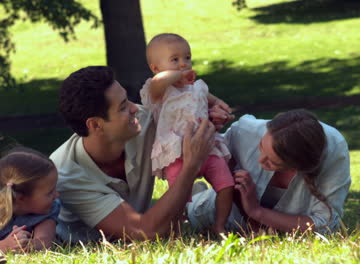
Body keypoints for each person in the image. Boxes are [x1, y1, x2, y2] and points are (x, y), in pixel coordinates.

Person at [50, 66, 233, 243]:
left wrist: (208, 118)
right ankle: (196, 199)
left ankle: (197, 198)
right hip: (102, 242)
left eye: (128, 100)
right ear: (96, 125)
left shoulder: (145, 121)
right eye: (122, 107)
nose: (135, 108)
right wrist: (191, 166)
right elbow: (145, 232)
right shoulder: (65, 174)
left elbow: (187, 121)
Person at [188, 109, 351, 234]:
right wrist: (208, 124)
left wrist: (256, 211)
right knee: (196, 213)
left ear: (298, 167)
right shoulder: (246, 131)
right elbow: (210, 161)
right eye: (261, 147)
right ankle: (198, 194)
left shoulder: (334, 152)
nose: (260, 160)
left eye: (272, 162)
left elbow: (324, 225)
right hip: (229, 213)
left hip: (284, 225)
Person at [140, 33, 234, 234]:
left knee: (226, 185)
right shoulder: (158, 92)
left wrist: (220, 107)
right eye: (175, 60)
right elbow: (158, 81)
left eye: (187, 58)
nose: (183, 64)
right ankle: (176, 229)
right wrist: (177, 76)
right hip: (177, 154)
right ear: (156, 68)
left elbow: (212, 101)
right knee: (178, 196)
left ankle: (219, 225)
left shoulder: (197, 88)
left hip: (207, 148)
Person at [0, 148, 60, 252]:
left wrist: (25, 244)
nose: (57, 195)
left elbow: (44, 242)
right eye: (50, 192)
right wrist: (5, 246)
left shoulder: (48, 209)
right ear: (21, 197)